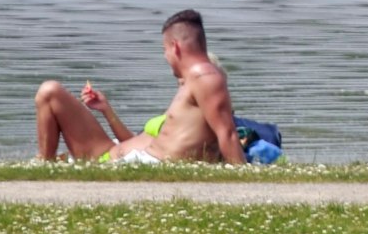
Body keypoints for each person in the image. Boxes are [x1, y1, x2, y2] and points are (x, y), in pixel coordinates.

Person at [34, 9, 246, 165]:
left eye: (165, 50)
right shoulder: (193, 85)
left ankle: (45, 164)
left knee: (49, 91)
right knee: (50, 92)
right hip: (122, 153)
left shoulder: (205, 76)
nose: (165, 57)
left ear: (176, 47)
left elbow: (226, 133)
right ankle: (45, 162)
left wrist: (242, 180)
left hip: (128, 159)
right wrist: (106, 110)